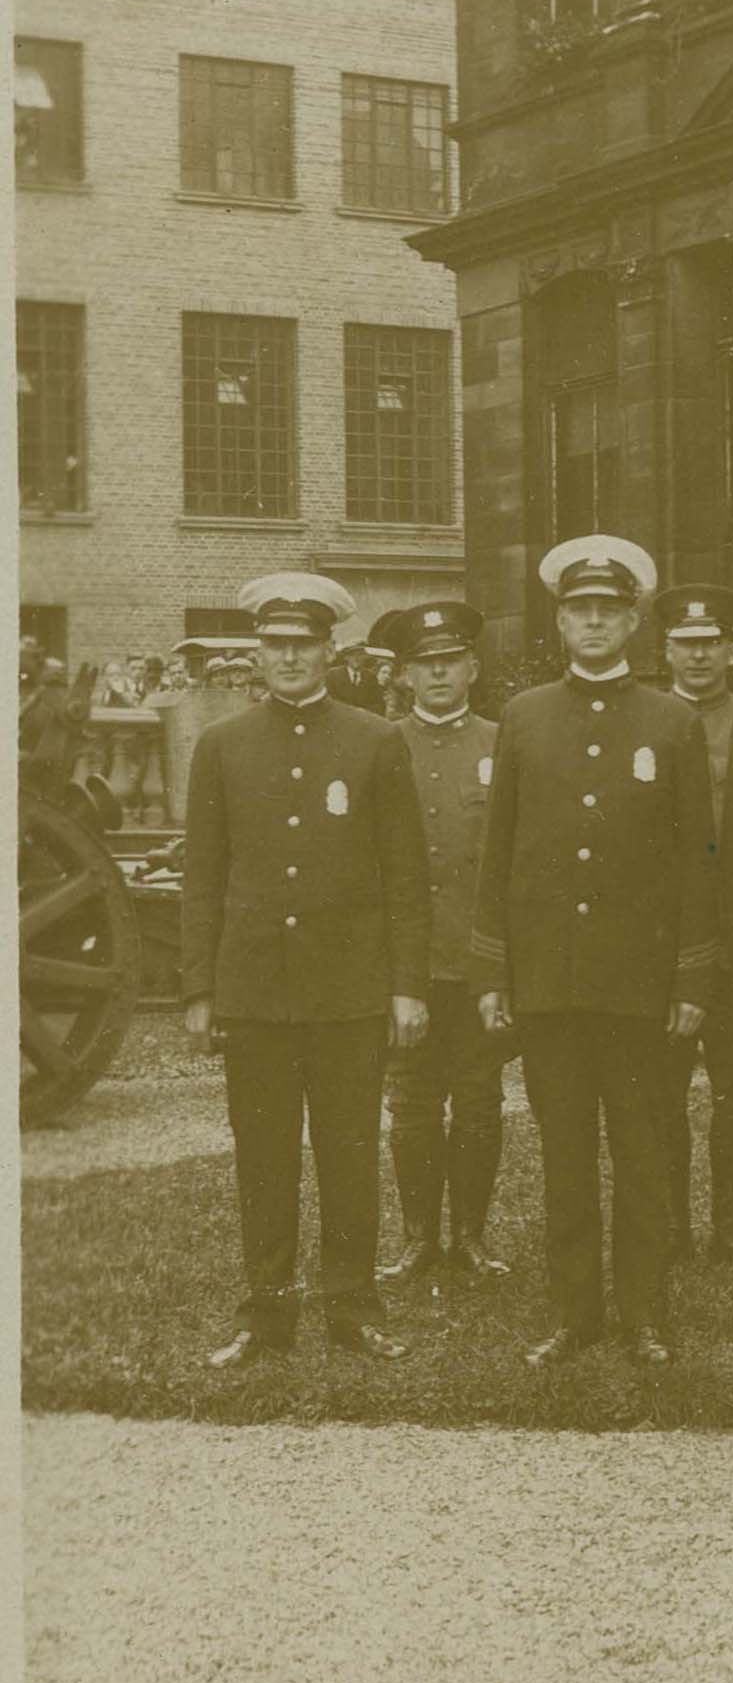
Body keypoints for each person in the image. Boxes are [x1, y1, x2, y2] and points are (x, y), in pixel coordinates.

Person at [487, 539, 720, 1363]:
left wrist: (692, 975)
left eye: (608, 610)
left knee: (644, 1153)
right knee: (566, 1157)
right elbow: (500, 852)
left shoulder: (672, 720)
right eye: (578, 609)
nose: (593, 622)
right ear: (559, 621)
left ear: (631, 621)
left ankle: (645, 1315)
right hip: (551, 981)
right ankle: (575, 1315)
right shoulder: (523, 718)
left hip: (642, 986)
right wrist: (495, 971)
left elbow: (699, 859)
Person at [183, 570, 421, 1369]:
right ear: (258, 651)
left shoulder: (375, 740)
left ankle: (353, 1310)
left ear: (330, 649)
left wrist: (405, 988)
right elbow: (205, 878)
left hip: (347, 991)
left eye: (304, 644)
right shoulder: (221, 744)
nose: (289, 658)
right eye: (276, 645)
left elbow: (405, 878)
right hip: (253, 992)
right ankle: (267, 1315)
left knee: (349, 1151)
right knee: (264, 1153)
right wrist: (199, 990)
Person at [377, 598, 511, 1293]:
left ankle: (472, 1235)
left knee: (479, 1095)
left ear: (472, 668)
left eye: (449, 662)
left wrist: (503, 963)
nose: (437, 675)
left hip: (478, 959)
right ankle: (416, 1236)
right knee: (411, 1101)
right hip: (407, 964)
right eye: (423, 665)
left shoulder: (501, 741)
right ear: (404, 675)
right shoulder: (379, 744)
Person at [651, 585, 733, 1273]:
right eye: (684, 645)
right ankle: (670, 1228)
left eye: (711, 645)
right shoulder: (641, 718)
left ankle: (730, 1231)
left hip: (732, 938)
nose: (698, 657)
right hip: (662, 941)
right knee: (661, 1090)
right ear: (665, 650)